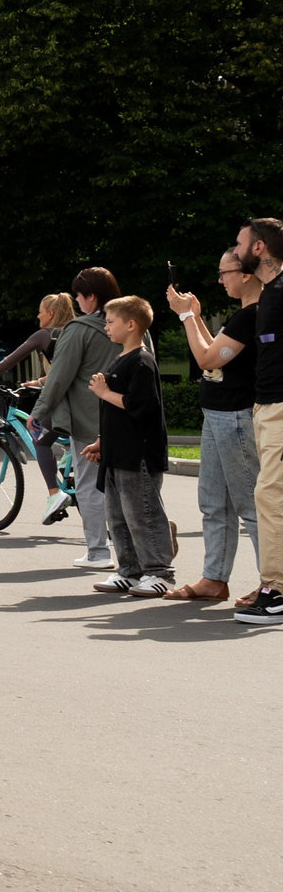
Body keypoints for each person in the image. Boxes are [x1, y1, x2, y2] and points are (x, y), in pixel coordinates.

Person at [167, 253, 262, 605]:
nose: (221, 280)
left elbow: (206, 359)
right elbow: (212, 350)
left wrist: (187, 315)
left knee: (250, 504)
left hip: (235, 416)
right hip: (220, 414)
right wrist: (193, 316)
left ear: (248, 275)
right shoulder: (242, 317)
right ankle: (214, 578)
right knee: (214, 503)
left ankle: (272, 583)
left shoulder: (252, 315)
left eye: (225, 273)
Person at [31, 269, 123, 569]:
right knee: (129, 485)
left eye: (80, 296)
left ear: (91, 297)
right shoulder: (133, 322)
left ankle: (98, 552)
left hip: (88, 417)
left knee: (89, 485)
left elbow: (59, 376)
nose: (78, 301)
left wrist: (40, 410)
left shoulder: (78, 329)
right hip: (128, 414)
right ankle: (137, 555)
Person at [84, 296, 173, 596]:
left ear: (131, 324)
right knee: (118, 516)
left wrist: (104, 392)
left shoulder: (142, 362)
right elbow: (114, 413)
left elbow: (140, 406)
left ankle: (160, 571)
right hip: (117, 452)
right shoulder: (120, 358)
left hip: (139, 454)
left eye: (111, 322)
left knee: (142, 514)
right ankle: (130, 570)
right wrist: (101, 441)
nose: (106, 327)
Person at [0, 294, 75, 505]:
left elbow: (10, 360)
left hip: (66, 403)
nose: (37, 316)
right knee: (59, 434)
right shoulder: (75, 331)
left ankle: (54, 494)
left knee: (39, 438)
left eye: (40, 311)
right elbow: (67, 370)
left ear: (51, 313)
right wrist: (38, 381)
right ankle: (69, 452)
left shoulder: (45, 335)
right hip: (87, 399)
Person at [236, 217, 283, 628]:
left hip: (280, 407)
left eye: (239, 244)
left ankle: (277, 591)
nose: (235, 251)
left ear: (259, 249)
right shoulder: (270, 292)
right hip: (267, 407)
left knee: (270, 497)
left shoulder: (282, 291)